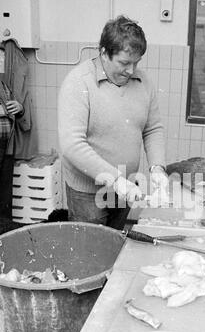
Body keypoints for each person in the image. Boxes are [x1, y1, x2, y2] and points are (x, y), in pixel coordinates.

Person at [58, 15, 168, 230]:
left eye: (136, 63)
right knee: (90, 253)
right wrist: (116, 180)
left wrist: (157, 167)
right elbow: (72, 145)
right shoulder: (78, 83)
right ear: (104, 53)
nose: (131, 70)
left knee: (115, 246)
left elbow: (153, 128)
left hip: (126, 187)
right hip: (89, 194)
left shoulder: (142, 82)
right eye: (125, 63)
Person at [0, 77, 24, 219]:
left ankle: (5, 236)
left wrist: (20, 108)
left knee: (5, 195)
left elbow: (14, 110)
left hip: (7, 146)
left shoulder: (3, 84)